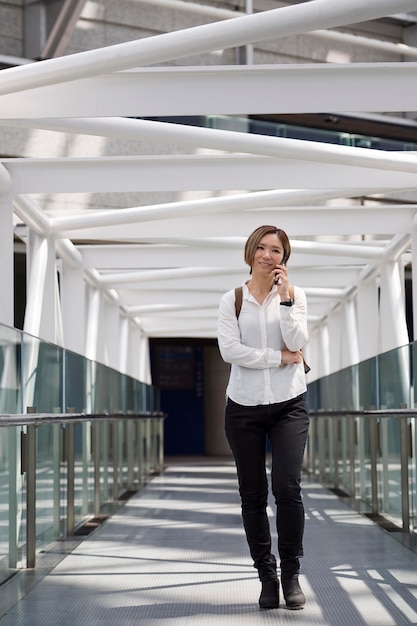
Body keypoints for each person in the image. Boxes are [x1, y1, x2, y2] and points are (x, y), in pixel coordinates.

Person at [217, 225, 309, 611]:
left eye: (277, 251)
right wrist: (277, 358)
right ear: (251, 251)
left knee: (287, 488)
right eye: (263, 248)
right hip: (244, 407)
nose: (269, 256)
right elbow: (229, 351)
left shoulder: (295, 295)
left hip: (289, 403)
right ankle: (266, 577)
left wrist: (286, 300)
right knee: (252, 495)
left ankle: (290, 574)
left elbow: (298, 343)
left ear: (284, 260)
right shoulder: (232, 299)